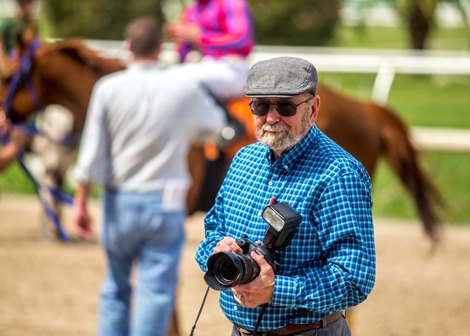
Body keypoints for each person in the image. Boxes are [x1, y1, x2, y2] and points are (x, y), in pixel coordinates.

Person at [195, 56, 376, 335]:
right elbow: (213, 230)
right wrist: (218, 251)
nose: (271, 117)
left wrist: (275, 290)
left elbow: (355, 280)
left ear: (313, 109)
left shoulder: (340, 174)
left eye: (285, 106)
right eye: (261, 106)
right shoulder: (243, 158)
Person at [72, 17, 224, 336]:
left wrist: (81, 202)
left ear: (127, 47)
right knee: (156, 292)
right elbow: (216, 127)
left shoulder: (107, 89)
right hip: (165, 203)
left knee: (115, 286)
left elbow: (91, 151)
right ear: (161, 48)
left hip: (120, 201)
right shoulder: (182, 87)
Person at [164, 0, 255, 143]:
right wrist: (182, 38)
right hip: (206, 65)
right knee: (167, 77)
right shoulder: (192, 9)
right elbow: (183, 56)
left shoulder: (232, 2)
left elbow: (242, 39)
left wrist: (200, 37)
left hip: (233, 67)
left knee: (178, 77)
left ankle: (231, 124)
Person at [0, 0, 37, 77]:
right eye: (23, 3)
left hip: (25, 64)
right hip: (10, 62)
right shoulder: (9, 23)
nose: (26, 7)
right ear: (19, 4)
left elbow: (33, 45)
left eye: (29, 3)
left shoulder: (32, 25)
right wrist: (3, 63)